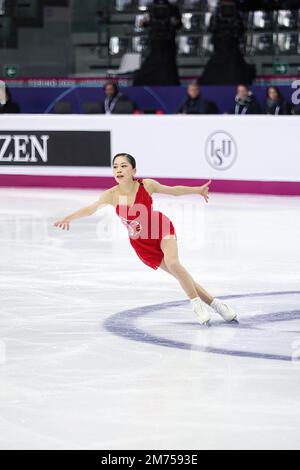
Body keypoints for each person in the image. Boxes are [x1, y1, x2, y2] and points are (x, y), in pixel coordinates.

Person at [54, 153, 238, 326]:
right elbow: (90, 209)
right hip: (143, 245)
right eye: (115, 167)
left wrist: (197, 190)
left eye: (123, 166)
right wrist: (68, 218)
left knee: (174, 264)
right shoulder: (111, 195)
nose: (118, 170)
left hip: (160, 228)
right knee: (180, 275)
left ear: (133, 171)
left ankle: (196, 305)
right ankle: (216, 304)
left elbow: (173, 191)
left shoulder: (146, 185)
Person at [133, 0, 182, 86]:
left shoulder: (173, 8)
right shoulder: (151, 7)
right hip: (156, 40)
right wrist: (144, 22)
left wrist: (174, 22)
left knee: (168, 63)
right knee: (155, 60)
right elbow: (144, 24)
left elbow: (179, 25)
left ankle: (170, 84)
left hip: (168, 40)